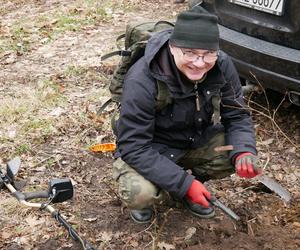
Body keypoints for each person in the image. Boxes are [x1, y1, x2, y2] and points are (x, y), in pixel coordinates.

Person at [112, 6, 259, 224]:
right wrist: (184, 184)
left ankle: (188, 187)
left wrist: (244, 151)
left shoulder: (222, 65)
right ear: (172, 47)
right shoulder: (141, 79)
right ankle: (175, 187)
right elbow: (134, 146)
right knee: (139, 192)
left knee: (233, 149)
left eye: (208, 53)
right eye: (189, 53)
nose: (200, 63)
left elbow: (237, 116)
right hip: (152, 148)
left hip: (194, 139)